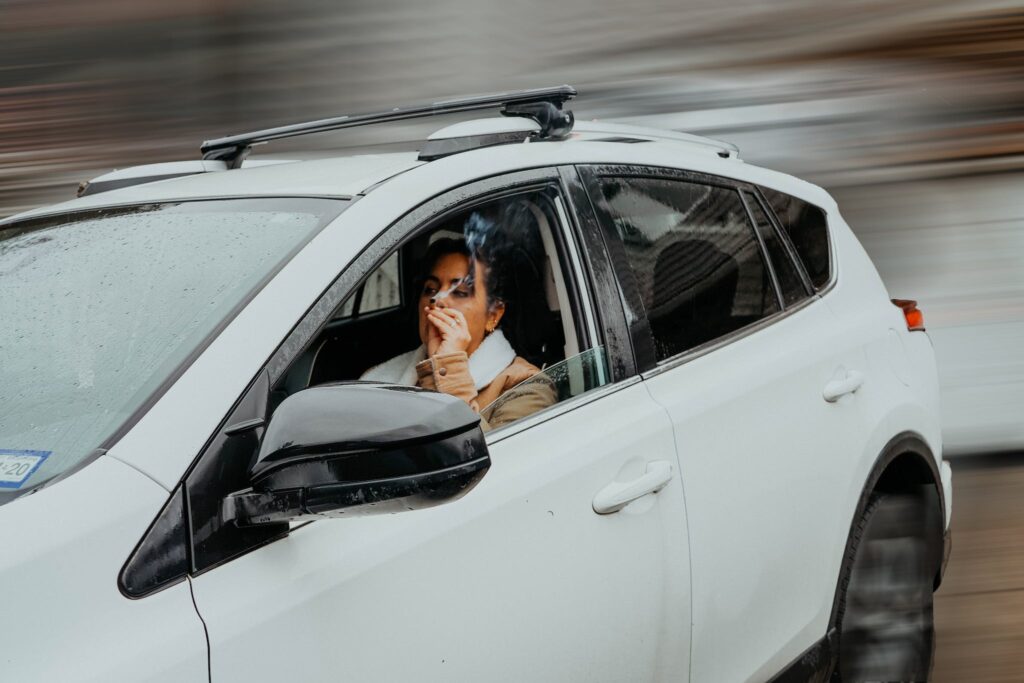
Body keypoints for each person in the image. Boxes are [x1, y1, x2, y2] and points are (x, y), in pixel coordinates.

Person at [360, 223, 556, 431]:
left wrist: (448, 368)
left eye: (460, 292)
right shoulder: (379, 378)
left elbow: (498, 460)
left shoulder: (526, 387)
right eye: (430, 289)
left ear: (493, 315)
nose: (437, 300)